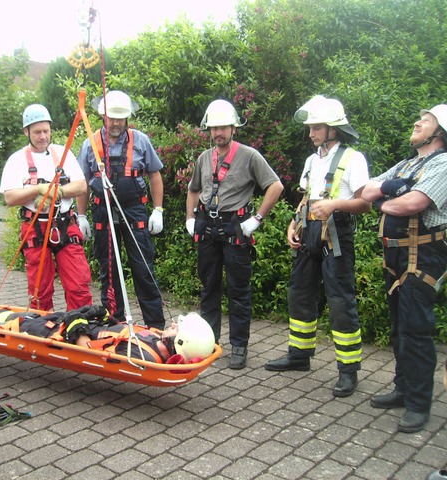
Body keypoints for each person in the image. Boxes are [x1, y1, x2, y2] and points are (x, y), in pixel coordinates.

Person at [264, 95, 370, 397]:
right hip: (307, 235)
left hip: (336, 238)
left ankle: (348, 372)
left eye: (317, 127)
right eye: (310, 127)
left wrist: (335, 205)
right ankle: (299, 356)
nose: (311, 133)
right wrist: (293, 223)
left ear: (333, 129)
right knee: (299, 294)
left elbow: (365, 203)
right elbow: (306, 198)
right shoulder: (312, 160)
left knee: (340, 302)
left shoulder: (353, 159)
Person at [362, 104, 447, 432]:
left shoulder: (442, 164)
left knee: (416, 329)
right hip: (396, 257)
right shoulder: (408, 164)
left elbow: (414, 203)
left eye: (425, 121)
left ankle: (418, 403)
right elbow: (365, 190)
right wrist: (390, 191)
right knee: (399, 325)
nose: (417, 122)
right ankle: (402, 389)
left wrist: (386, 198)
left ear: (440, 133)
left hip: (423, 256)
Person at [186, 99, 284, 369]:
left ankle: (239, 346)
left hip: (235, 229)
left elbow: (275, 186)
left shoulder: (250, 156)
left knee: (239, 290)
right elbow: (193, 190)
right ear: (209, 130)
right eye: (214, 128)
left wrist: (257, 219)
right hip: (207, 228)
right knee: (209, 289)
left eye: (223, 127)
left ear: (233, 129)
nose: (218, 132)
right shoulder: (204, 158)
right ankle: (210, 342)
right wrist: (189, 217)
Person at [77, 90, 166, 329]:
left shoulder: (140, 141)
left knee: (143, 269)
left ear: (127, 118)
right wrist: (81, 215)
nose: (116, 123)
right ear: (103, 116)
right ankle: (115, 324)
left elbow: (155, 175)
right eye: (111, 117)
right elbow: (83, 183)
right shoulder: (90, 143)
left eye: (120, 118)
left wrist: (158, 209)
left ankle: (155, 327)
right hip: (102, 212)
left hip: (134, 211)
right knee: (109, 273)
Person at [0, 104, 92, 312]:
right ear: (27, 132)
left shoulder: (63, 153)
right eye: (37, 132)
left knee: (78, 285)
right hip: (35, 227)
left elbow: (81, 185)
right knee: (39, 290)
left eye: (46, 131)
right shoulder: (17, 160)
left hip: (65, 225)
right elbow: (10, 197)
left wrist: (58, 191)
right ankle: (42, 330)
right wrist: (37, 189)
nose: (42, 136)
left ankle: (81, 327)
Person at [0, 304, 216, 364]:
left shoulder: (143, 354)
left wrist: (78, 321)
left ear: (179, 341)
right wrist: (103, 316)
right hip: (71, 325)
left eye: (176, 328)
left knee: (15, 322)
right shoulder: (153, 341)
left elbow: (88, 348)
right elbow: (113, 333)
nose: (173, 324)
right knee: (17, 316)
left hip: (57, 333)